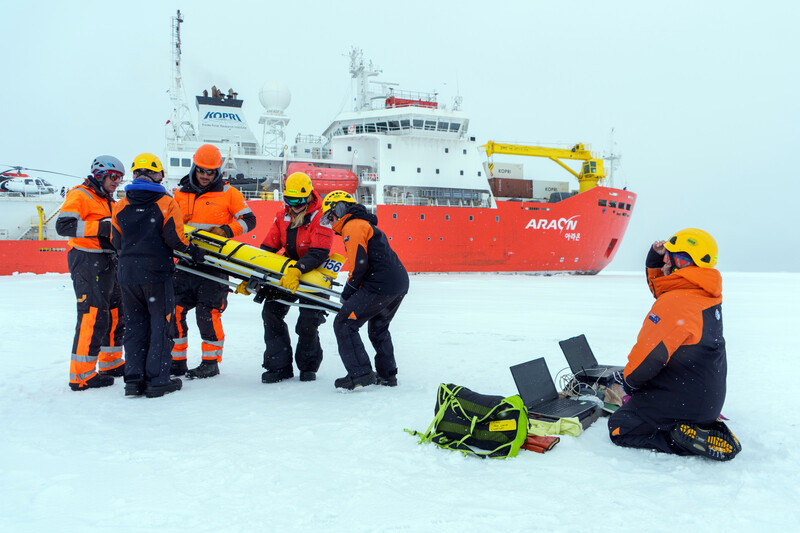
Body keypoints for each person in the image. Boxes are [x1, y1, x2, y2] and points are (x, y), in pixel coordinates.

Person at [608, 228, 740, 460]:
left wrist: (628, 383)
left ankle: (678, 436)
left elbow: (649, 358)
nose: (665, 260)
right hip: (703, 399)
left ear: (680, 261)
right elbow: (667, 290)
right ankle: (705, 426)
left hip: (685, 403)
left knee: (620, 425)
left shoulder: (676, 303)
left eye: (670, 257)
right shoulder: (703, 292)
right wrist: (655, 260)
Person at [111, 153, 205, 398]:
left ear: (134, 174)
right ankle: (158, 379)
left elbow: (116, 240)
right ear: (158, 175)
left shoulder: (121, 204)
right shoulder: (166, 202)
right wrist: (193, 252)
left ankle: (133, 380)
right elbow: (175, 239)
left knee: (134, 326)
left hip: (127, 274)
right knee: (160, 325)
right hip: (156, 274)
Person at [170, 144, 256, 379]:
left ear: (218, 172)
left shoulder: (230, 193)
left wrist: (226, 230)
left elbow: (250, 220)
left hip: (214, 264)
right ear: (194, 168)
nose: (206, 176)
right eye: (202, 170)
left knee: (208, 313)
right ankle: (177, 361)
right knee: (175, 311)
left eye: (211, 172)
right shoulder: (179, 194)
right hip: (185, 263)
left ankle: (210, 362)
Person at [320, 190, 409, 390]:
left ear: (340, 209)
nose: (332, 222)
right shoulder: (364, 224)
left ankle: (360, 375)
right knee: (378, 328)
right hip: (398, 283)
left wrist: (347, 292)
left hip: (380, 284)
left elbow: (359, 265)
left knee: (344, 323)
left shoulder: (353, 225)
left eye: (331, 216)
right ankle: (388, 375)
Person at [56, 155, 126, 391]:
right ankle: (81, 375)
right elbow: (64, 225)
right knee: (92, 314)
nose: (117, 182)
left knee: (116, 312)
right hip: (87, 259)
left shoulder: (108, 200)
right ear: (100, 175)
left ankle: (111, 362)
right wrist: (103, 227)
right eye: (114, 177)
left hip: (108, 260)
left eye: (120, 178)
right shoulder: (80, 195)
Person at [259, 172, 333, 383]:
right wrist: (256, 272)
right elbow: (268, 247)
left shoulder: (322, 217)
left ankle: (308, 367)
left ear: (308, 196)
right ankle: (279, 366)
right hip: (288, 270)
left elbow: (319, 252)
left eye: (299, 201)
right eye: (289, 200)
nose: (295, 205)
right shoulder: (282, 216)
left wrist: (298, 269)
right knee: (271, 313)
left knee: (308, 322)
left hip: (314, 273)